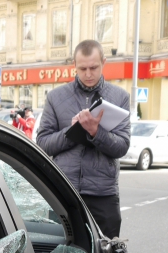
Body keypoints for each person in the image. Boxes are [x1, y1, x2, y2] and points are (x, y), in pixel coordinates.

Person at [36, 39, 130, 238]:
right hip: (64, 191)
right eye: (82, 68)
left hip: (103, 194)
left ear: (104, 62)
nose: (88, 74)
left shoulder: (120, 97)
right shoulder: (56, 97)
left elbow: (122, 146)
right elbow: (43, 144)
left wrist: (96, 133)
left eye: (94, 67)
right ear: (74, 66)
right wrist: (74, 132)